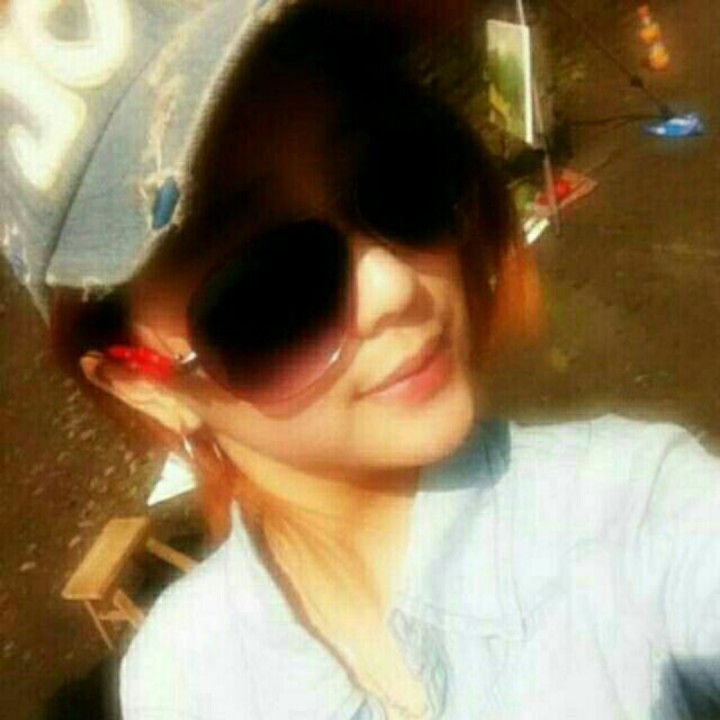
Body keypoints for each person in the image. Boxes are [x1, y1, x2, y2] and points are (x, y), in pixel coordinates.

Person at [2, 1, 718, 718]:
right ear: (144, 385)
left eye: (398, 176)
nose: (395, 287)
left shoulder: (635, 510)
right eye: (271, 283)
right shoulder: (177, 679)